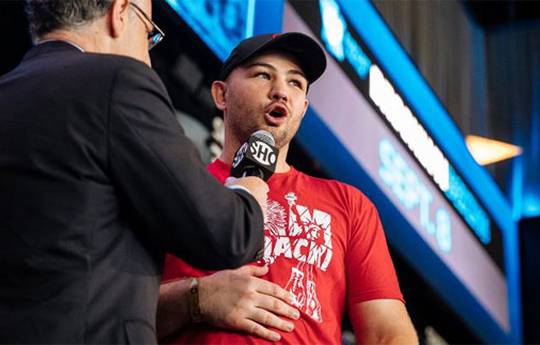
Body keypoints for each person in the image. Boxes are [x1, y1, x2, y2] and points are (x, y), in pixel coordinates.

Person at [0, 0, 269, 344]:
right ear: (120, 12)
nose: (149, 57)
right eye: (148, 34)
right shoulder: (119, 80)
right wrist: (249, 188)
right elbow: (227, 235)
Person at [158, 32, 418, 344]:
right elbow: (112, 312)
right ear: (221, 94)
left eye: (295, 82)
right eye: (263, 74)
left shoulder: (349, 205)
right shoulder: (173, 185)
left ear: (303, 107)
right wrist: (197, 299)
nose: (281, 91)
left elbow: (388, 335)